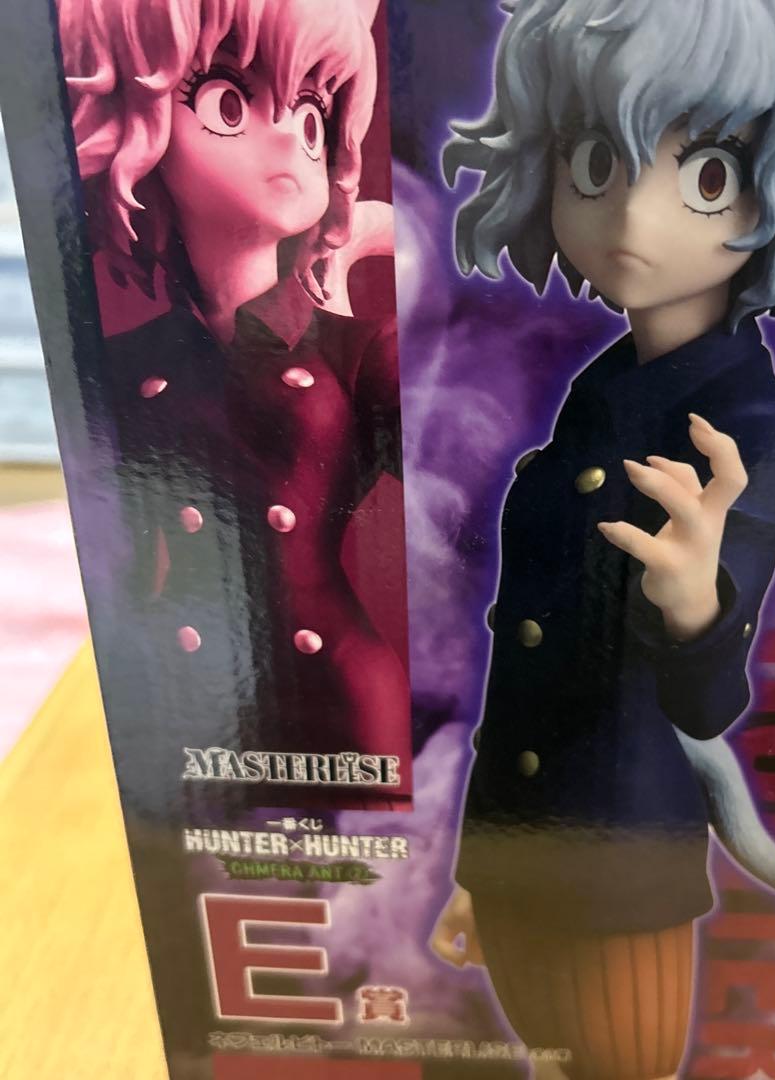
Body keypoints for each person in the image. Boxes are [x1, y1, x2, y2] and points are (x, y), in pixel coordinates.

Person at [431, 1, 775, 1077]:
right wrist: (481, 870)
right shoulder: (599, 389)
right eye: (596, 160)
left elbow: (704, 705)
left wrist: (697, 603)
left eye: (708, 176)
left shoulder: (761, 432)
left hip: (623, 861)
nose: (630, 217)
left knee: (623, 1063)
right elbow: (528, 663)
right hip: (522, 847)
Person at [56, 0, 408, 1057]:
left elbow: (472, 471)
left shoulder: (351, 349)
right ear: (137, 125)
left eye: (313, 112)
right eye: (227, 101)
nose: (292, 141)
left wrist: (394, 252)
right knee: (236, 960)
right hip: (197, 701)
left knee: (372, 962)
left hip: (340, 700)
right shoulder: (127, 363)